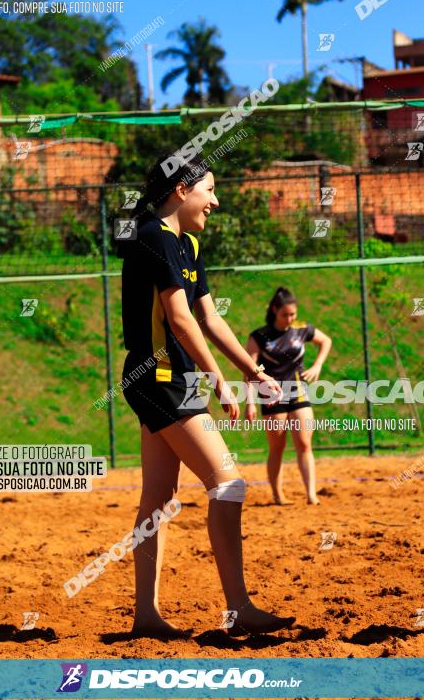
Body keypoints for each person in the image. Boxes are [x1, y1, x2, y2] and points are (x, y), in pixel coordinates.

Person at [117, 152, 295, 638]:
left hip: (172, 378)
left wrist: (252, 370)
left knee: (158, 497)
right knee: (229, 484)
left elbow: (210, 317)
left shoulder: (186, 243)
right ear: (181, 189)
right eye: (209, 189)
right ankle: (239, 609)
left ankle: (146, 616)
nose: (215, 200)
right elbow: (178, 319)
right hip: (159, 378)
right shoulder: (153, 236)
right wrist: (219, 378)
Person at [244, 287, 332, 506]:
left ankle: (311, 494)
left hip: (298, 390)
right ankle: (277, 494)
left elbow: (326, 341)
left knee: (304, 443)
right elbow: (248, 369)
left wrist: (318, 365)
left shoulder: (301, 330)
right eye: (285, 315)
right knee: (277, 447)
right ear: (274, 310)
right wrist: (250, 403)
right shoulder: (259, 336)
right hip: (272, 395)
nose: (290, 319)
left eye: (293, 314)